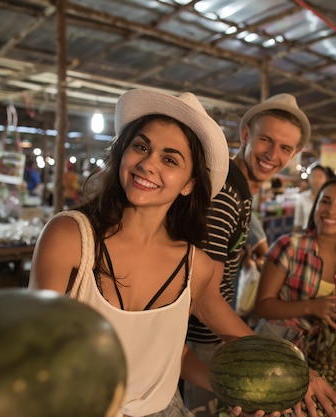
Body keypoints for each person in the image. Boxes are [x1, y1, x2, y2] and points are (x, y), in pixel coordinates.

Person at [29, 89, 230, 417]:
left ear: (189, 184)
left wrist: (236, 390)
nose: (148, 163)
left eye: (169, 159)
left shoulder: (197, 267)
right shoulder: (69, 237)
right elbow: (32, 346)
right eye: (141, 146)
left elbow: (171, 355)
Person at [184, 94, 336, 417]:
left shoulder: (240, 193)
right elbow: (203, 298)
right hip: (193, 341)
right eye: (265, 140)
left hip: (209, 337)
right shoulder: (225, 195)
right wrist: (278, 362)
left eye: (286, 148)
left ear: (296, 153)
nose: (273, 155)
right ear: (245, 134)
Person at [253, 178, 336, 353]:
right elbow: (262, 307)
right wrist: (311, 306)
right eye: (325, 201)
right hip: (276, 345)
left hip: (325, 352)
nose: (331, 210)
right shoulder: (289, 247)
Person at [293, 162, 331, 232]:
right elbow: (298, 223)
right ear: (309, 178)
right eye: (313, 176)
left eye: (320, 176)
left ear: (326, 179)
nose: (316, 179)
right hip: (307, 235)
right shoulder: (303, 197)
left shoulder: (330, 198)